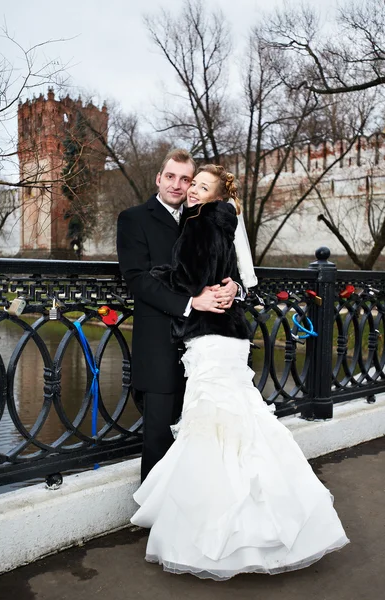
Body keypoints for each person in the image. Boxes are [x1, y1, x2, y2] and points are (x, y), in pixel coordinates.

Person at [130, 164, 349, 580]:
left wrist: (209, 287)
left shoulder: (199, 224)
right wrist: (230, 288)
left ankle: (214, 535)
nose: (190, 190)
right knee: (243, 424)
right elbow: (233, 277)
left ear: (214, 196)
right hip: (228, 340)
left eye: (199, 185)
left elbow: (202, 277)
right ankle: (274, 519)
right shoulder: (220, 220)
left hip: (210, 339)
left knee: (210, 430)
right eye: (188, 183)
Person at [116, 149, 241, 482]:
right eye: (170, 176)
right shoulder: (133, 218)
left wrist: (235, 286)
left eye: (186, 179)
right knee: (158, 440)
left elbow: (227, 265)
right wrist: (190, 303)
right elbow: (138, 280)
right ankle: (155, 522)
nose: (178, 184)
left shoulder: (206, 217)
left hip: (204, 351)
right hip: (159, 347)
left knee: (200, 439)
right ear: (158, 178)